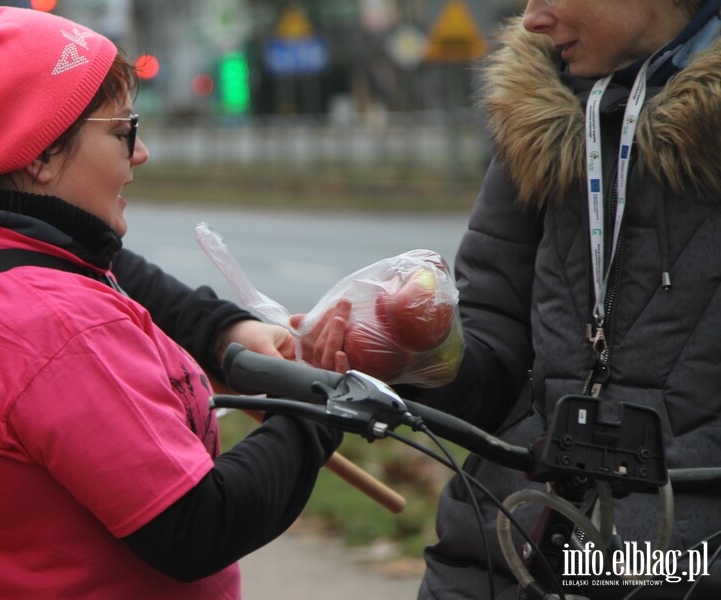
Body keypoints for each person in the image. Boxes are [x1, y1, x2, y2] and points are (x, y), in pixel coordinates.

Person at [0, 7, 341, 599]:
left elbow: (106, 265)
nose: (141, 155)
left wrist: (223, 330)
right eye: (123, 131)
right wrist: (318, 408)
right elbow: (197, 523)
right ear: (39, 154)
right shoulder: (57, 328)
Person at [296, 0, 721, 598]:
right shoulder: (539, 112)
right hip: (497, 557)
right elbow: (490, 364)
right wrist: (416, 351)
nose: (530, 19)